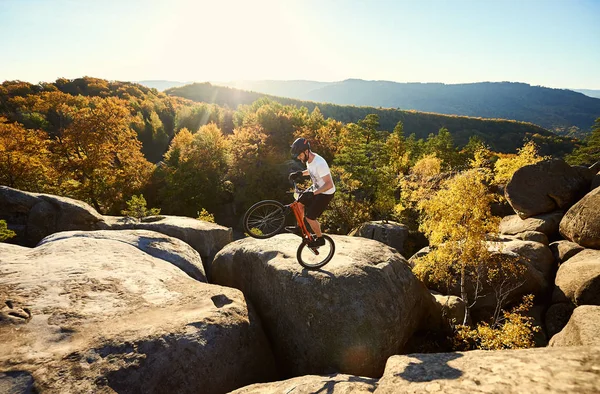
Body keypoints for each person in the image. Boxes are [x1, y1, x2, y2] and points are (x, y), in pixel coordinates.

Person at [288, 137, 336, 247]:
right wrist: (300, 173)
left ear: (306, 151)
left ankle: (320, 239)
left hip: (326, 193)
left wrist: (313, 194)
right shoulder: (309, 160)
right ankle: (300, 229)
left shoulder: (320, 163)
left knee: (310, 218)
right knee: (299, 204)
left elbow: (329, 184)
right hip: (317, 187)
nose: (299, 158)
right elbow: (311, 171)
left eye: (300, 155)